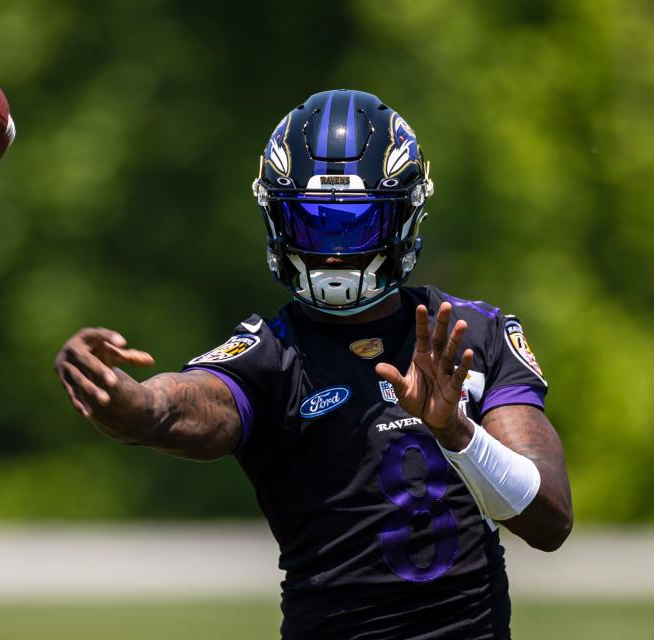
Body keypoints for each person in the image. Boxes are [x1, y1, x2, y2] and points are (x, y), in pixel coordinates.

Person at [54, 89, 573, 639]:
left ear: (404, 218)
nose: (330, 253)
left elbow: (550, 519)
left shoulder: (469, 334)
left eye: (354, 225)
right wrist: (127, 400)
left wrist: (457, 433)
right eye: (311, 224)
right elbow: (181, 406)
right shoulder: (272, 355)